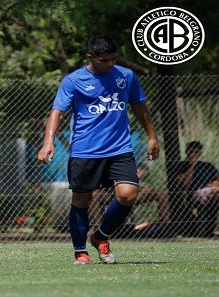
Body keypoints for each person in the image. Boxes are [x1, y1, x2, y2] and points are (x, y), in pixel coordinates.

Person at [37, 36, 160, 264]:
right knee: (81, 201)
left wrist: (152, 136)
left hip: (120, 148)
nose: (110, 64)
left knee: (128, 195)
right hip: (85, 151)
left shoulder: (127, 76)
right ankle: (80, 252)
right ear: (90, 57)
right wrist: (48, 141)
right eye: (104, 60)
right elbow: (57, 112)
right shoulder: (73, 80)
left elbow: (139, 106)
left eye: (113, 59)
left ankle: (100, 236)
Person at [174, 141, 219, 237]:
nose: (193, 154)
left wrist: (216, 182)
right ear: (186, 152)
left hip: (211, 190)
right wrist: (192, 165)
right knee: (214, 192)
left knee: (215, 192)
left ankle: (208, 231)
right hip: (196, 194)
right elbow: (186, 183)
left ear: (200, 153)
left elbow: (217, 177)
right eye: (191, 151)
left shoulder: (207, 165)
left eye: (196, 152)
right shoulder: (182, 165)